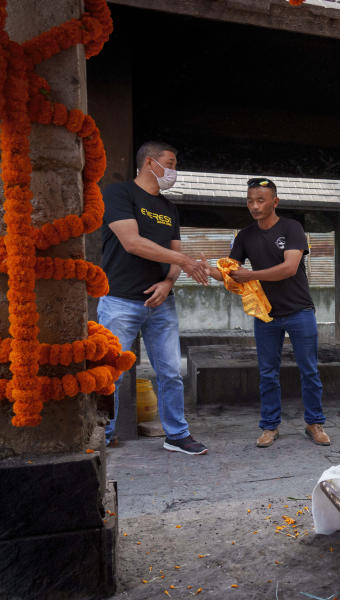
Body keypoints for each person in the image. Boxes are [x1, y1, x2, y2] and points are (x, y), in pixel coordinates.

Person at [99, 141, 211, 454]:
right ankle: (103, 435)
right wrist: (186, 263)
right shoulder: (118, 195)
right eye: (171, 163)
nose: (175, 171)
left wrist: (167, 282)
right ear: (151, 162)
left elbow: (176, 255)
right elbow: (132, 242)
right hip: (120, 300)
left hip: (162, 302)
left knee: (171, 372)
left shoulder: (169, 207)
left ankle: (176, 434)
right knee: (110, 372)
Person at [208, 178, 328, 448]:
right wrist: (206, 269)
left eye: (260, 200)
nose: (254, 205)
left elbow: (289, 268)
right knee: (267, 373)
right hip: (266, 315)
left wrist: (251, 275)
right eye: (250, 200)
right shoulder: (245, 235)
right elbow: (232, 274)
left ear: (275, 202)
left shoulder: (292, 228)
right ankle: (270, 427)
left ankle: (314, 423)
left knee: (309, 370)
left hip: (300, 311)